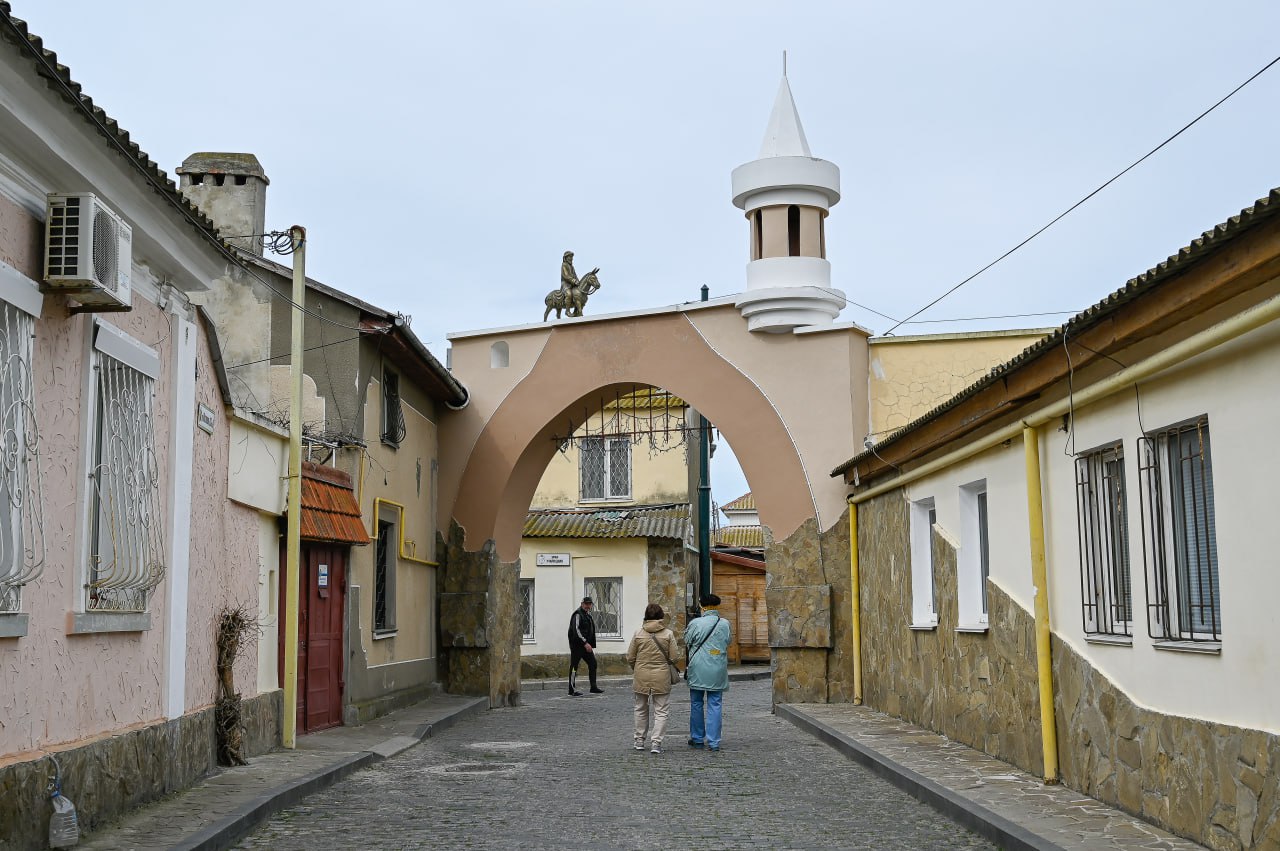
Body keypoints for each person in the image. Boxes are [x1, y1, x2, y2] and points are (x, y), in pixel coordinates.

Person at [626, 602, 678, 754]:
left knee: (640, 708)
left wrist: (636, 668)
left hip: (641, 674)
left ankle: (639, 740)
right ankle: (656, 742)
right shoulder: (668, 634)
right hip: (661, 675)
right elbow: (674, 657)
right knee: (661, 710)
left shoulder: (638, 633)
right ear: (661, 616)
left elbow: (630, 656)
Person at [684, 593, 731, 751]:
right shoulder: (724, 623)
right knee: (715, 703)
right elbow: (728, 641)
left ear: (702, 606)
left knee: (696, 702)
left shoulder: (696, 623)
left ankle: (697, 738)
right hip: (717, 666)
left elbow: (687, 641)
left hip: (698, 666)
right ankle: (714, 741)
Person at [567, 596, 603, 696]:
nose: (588, 606)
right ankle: (571, 689)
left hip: (586, 646)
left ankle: (593, 687)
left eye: (589, 604)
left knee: (593, 664)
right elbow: (576, 630)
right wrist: (585, 643)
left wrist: (589, 644)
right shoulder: (578, 614)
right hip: (577, 646)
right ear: (582, 604)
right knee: (574, 667)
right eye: (586, 604)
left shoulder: (587, 615)